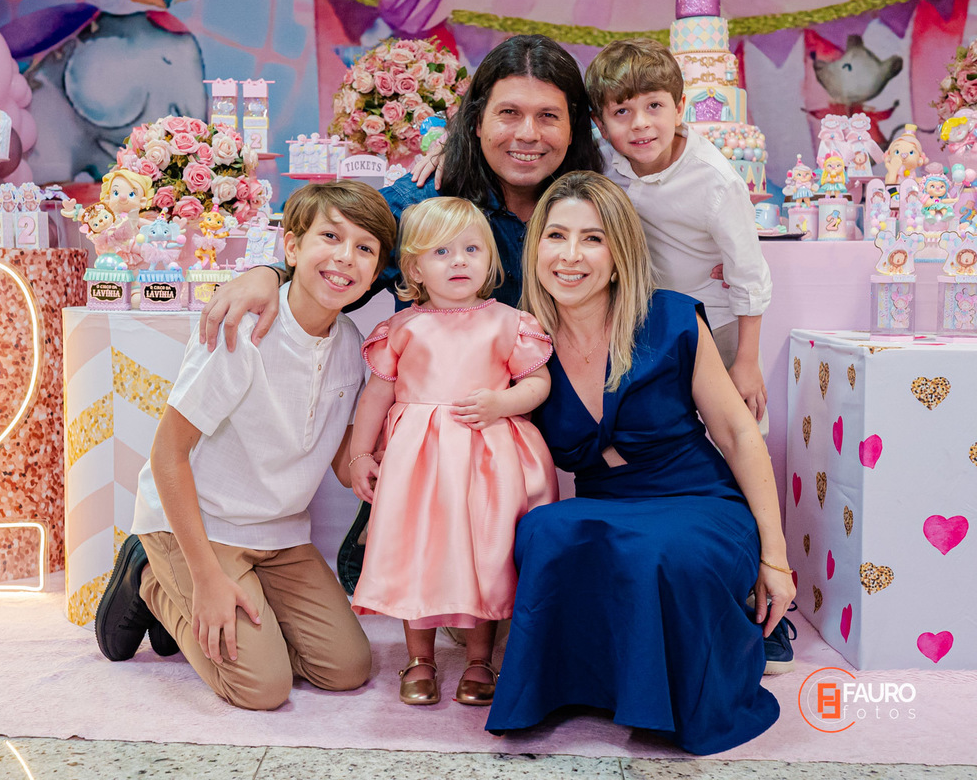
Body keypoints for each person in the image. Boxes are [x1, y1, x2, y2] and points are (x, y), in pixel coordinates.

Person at [485, 171, 794, 753]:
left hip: (699, 500)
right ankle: (566, 689)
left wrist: (775, 559)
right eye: (556, 236)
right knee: (545, 530)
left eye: (592, 239)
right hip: (608, 504)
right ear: (536, 248)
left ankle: (719, 650)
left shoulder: (670, 317)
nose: (570, 255)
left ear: (619, 254)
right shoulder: (522, 339)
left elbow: (737, 433)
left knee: (659, 550)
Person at [94, 181, 397, 710]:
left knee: (347, 668)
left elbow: (339, 457)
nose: (346, 257)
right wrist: (206, 579)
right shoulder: (245, 330)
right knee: (261, 687)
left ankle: (235, 602)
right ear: (292, 247)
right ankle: (149, 574)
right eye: (330, 237)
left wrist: (388, 453)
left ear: (376, 272)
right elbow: (168, 454)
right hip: (201, 524)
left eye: (365, 248)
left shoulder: (351, 342)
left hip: (281, 535)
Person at [197, 33, 604, 352]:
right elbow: (341, 245)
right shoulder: (423, 202)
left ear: (574, 128)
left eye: (548, 116)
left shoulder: (597, 205)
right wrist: (271, 274)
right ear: (477, 122)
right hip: (442, 414)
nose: (528, 134)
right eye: (509, 113)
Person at [347, 197, 558, 707]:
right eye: (441, 251)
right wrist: (360, 455)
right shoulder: (403, 328)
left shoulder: (508, 322)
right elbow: (375, 396)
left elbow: (538, 383)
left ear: (490, 260)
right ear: (415, 268)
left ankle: (480, 659)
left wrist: (503, 402)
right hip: (418, 466)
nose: (459, 260)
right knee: (416, 552)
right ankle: (419, 658)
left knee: (486, 554)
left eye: (471, 249)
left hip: (487, 460)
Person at [583, 38, 772, 435]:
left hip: (715, 324)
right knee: (664, 439)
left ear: (680, 107)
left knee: (736, 433)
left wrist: (747, 361)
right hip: (644, 326)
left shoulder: (715, 181)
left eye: (654, 105)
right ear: (600, 123)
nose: (640, 123)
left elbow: (749, 274)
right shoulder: (604, 164)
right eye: (622, 111)